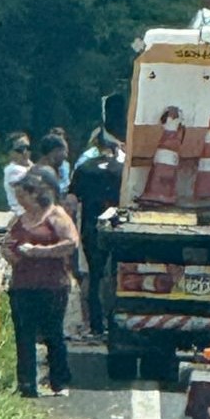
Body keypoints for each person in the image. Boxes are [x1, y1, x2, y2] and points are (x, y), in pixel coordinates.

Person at [1, 165, 79, 397]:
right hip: (22, 285)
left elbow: (71, 243)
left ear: (35, 194)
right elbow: (7, 245)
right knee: (23, 336)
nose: (19, 199)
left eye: (22, 194)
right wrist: (8, 253)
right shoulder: (19, 220)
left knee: (52, 333)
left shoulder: (55, 215)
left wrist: (39, 251)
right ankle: (26, 384)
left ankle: (60, 382)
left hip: (52, 285)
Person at [68, 138, 124, 338]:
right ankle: (115, 323)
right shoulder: (121, 169)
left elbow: (72, 201)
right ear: (114, 149)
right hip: (118, 228)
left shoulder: (84, 168)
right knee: (115, 276)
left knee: (94, 276)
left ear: (97, 148)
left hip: (91, 228)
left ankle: (95, 325)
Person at [2, 131, 33, 214]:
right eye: (20, 149)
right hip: (20, 213)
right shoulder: (13, 170)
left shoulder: (30, 167)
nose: (25, 152)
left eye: (28, 148)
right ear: (10, 152)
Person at [35, 131, 71, 200]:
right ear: (55, 152)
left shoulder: (35, 170)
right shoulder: (47, 173)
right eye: (64, 151)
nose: (66, 156)